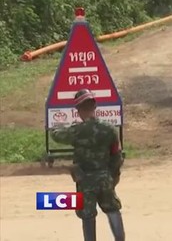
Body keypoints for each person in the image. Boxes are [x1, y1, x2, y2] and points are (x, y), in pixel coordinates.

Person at [50, 89, 125, 241]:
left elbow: (56, 134)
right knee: (112, 209)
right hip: (105, 177)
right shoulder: (110, 129)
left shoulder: (77, 130)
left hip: (84, 180)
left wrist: (62, 126)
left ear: (78, 110)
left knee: (88, 215)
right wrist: (113, 176)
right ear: (95, 106)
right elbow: (116, 155)